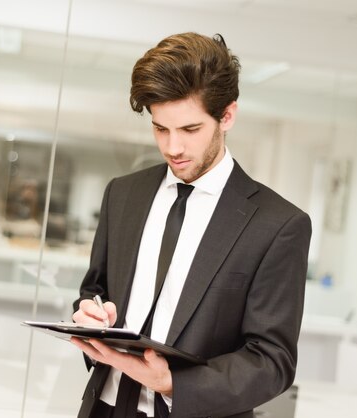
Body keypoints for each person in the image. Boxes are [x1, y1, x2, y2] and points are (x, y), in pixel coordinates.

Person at [70, 32, 312, 418]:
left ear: (227, 116)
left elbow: (272, 361)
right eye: (160, 128)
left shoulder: (278, 224)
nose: (172, 148)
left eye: (190, 129)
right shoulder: (123, 194)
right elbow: (94, 289)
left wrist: (171, 383)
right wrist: (89, 313)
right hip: (105, 408)